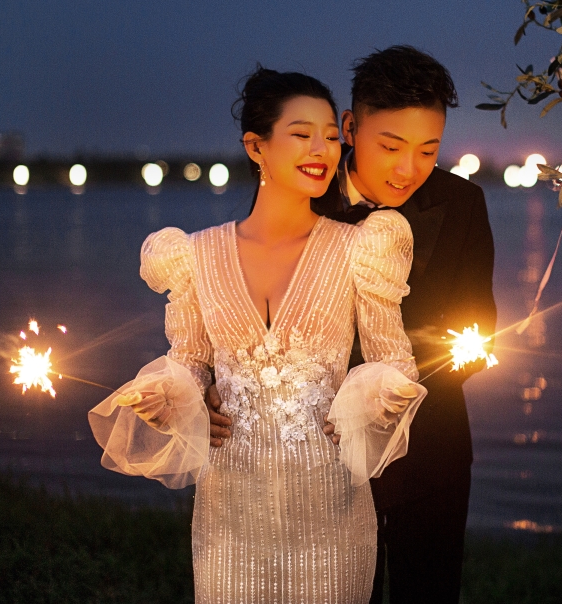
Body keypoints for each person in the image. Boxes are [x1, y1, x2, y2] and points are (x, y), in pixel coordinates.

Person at [91, 67, 424, 604]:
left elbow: (394, 361)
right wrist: (175, 395)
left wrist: (374, 398)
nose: (322, 149)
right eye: (301, 134)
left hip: (331, 507)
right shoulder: (194, 255)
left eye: (330, 136)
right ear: (256, 146)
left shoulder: (362, 247)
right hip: (229, 515)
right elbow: (189, 359)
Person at [208, 46, 497, 604]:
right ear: (349, 128)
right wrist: (217, 382)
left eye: (428, 150)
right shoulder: (299, 190)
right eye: (390, 146)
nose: (408, 169)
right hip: (320, 456)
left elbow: (478, 332)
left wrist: (391, 391)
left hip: (429, 449)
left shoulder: (463, 203)